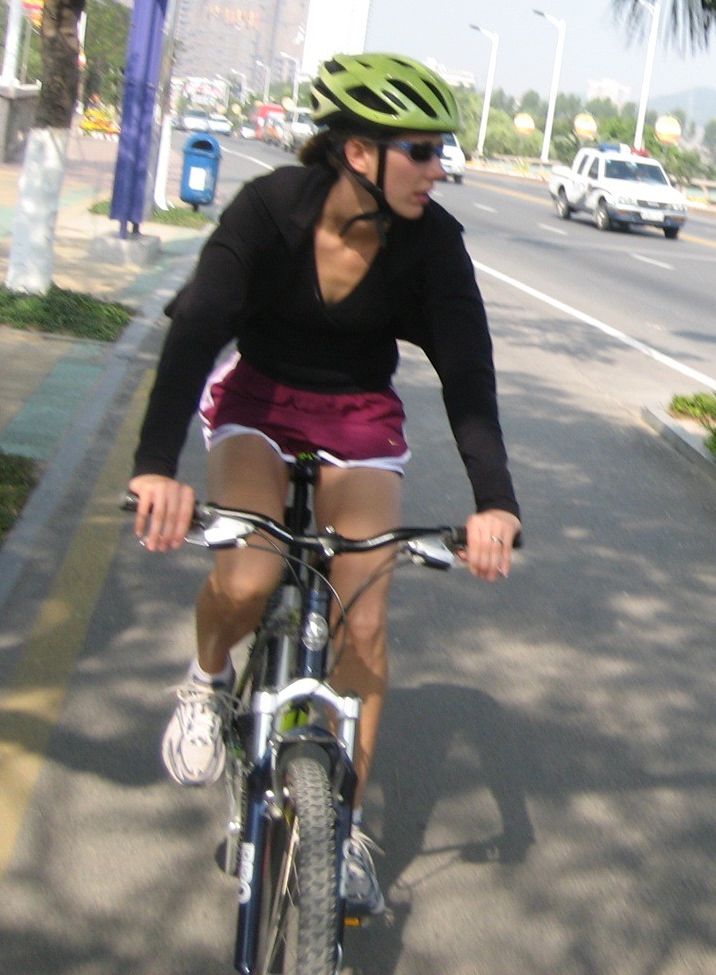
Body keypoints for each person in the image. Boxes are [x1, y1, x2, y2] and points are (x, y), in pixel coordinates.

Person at [126, 52, 522, 917]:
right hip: (260, 400)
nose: (439, 168)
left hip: (359, 418)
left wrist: (495, 502)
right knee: (250, 575)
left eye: (441, 150)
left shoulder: (433, 243)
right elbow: (198, 328)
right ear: (358, 153)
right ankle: (205, 680)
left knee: (365, 620)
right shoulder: (270, 209)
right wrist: (156, 466)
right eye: (421, 150)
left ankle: (341, 834)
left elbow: (468, 375)